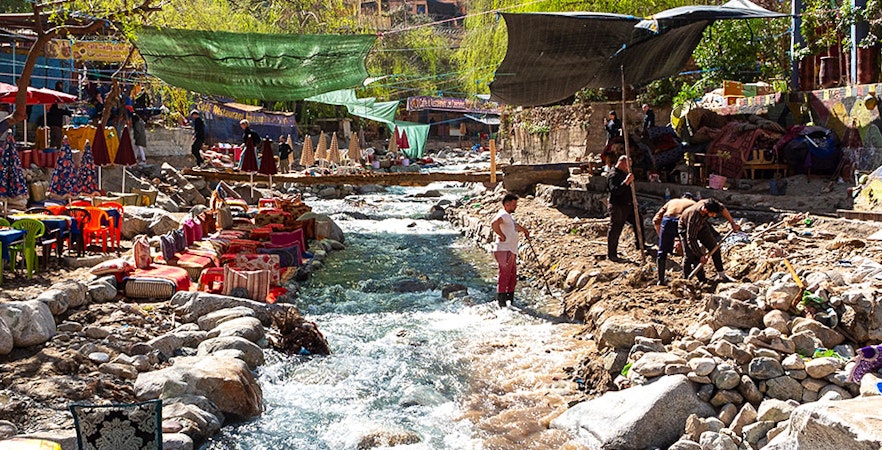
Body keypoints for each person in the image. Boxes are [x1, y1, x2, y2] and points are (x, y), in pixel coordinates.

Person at [677, 198, 740, 283]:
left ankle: (722, 275)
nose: (714, 216)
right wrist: (700, 256)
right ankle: (685, 281)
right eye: (713, 214)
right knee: (690, 256)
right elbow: (691, 239)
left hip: (702, 226)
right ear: (705, 210)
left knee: (715, 248)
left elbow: (723, 208)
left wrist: (732, 223)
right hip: (685, 229)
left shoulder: (710, 204)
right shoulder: (694, 218)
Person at [491, 193, 530, 307]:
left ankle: (509, 301)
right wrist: (502, 236)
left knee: (512, 276)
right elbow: (494, 223)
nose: (515, 207)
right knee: (505, 276)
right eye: (514, 204)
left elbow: (515, 226)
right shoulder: (503, 214)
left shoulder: (508, 216)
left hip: (510, 250)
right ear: (507, 205)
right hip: (505, 249)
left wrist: (525, 230)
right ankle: (502, 303)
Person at [653, 192, 696, 286]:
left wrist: (662, 238)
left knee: (662, 252)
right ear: (691, 199)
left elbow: (656, 220)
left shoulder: (672, 201)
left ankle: (660, 280)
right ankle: (686, 279)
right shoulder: (693, 204)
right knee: (689, 252)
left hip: (667, 221)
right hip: (681, 222)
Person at [607, 155, 643, 262]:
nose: (628, 168)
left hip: (628, 205)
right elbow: (615, 191)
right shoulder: (613, 175)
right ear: (622, 163)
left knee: (638, 221)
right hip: (618, 206)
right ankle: (612, 253)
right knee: (615, 228)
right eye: (627, 166)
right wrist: (626, 182)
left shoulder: (624, 174)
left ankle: (640, 244)